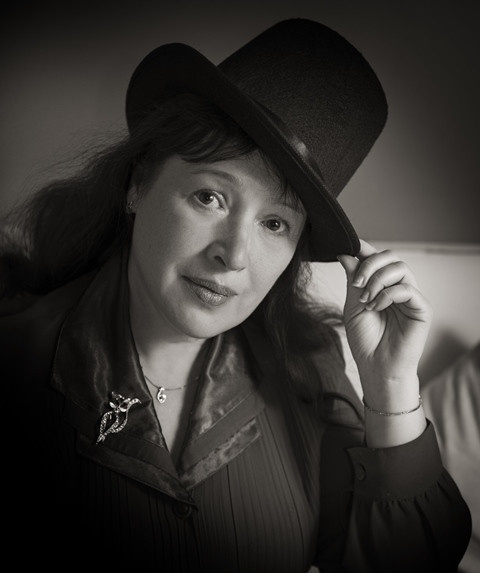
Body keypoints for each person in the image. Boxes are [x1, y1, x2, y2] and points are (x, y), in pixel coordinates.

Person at [0, 18, 471, 572]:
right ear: (138, 183)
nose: (235, 254)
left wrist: (391, 386)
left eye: (275, 224)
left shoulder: (307, 371)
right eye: (210, 197)